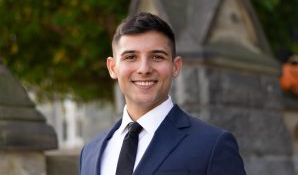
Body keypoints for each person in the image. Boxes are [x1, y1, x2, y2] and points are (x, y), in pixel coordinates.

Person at [79, 12, 246, 175]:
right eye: (131, 57)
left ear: (176, 66)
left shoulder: (212, 145)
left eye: (157, 57)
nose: (144, 69)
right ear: (113, 68)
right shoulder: (89, 153)